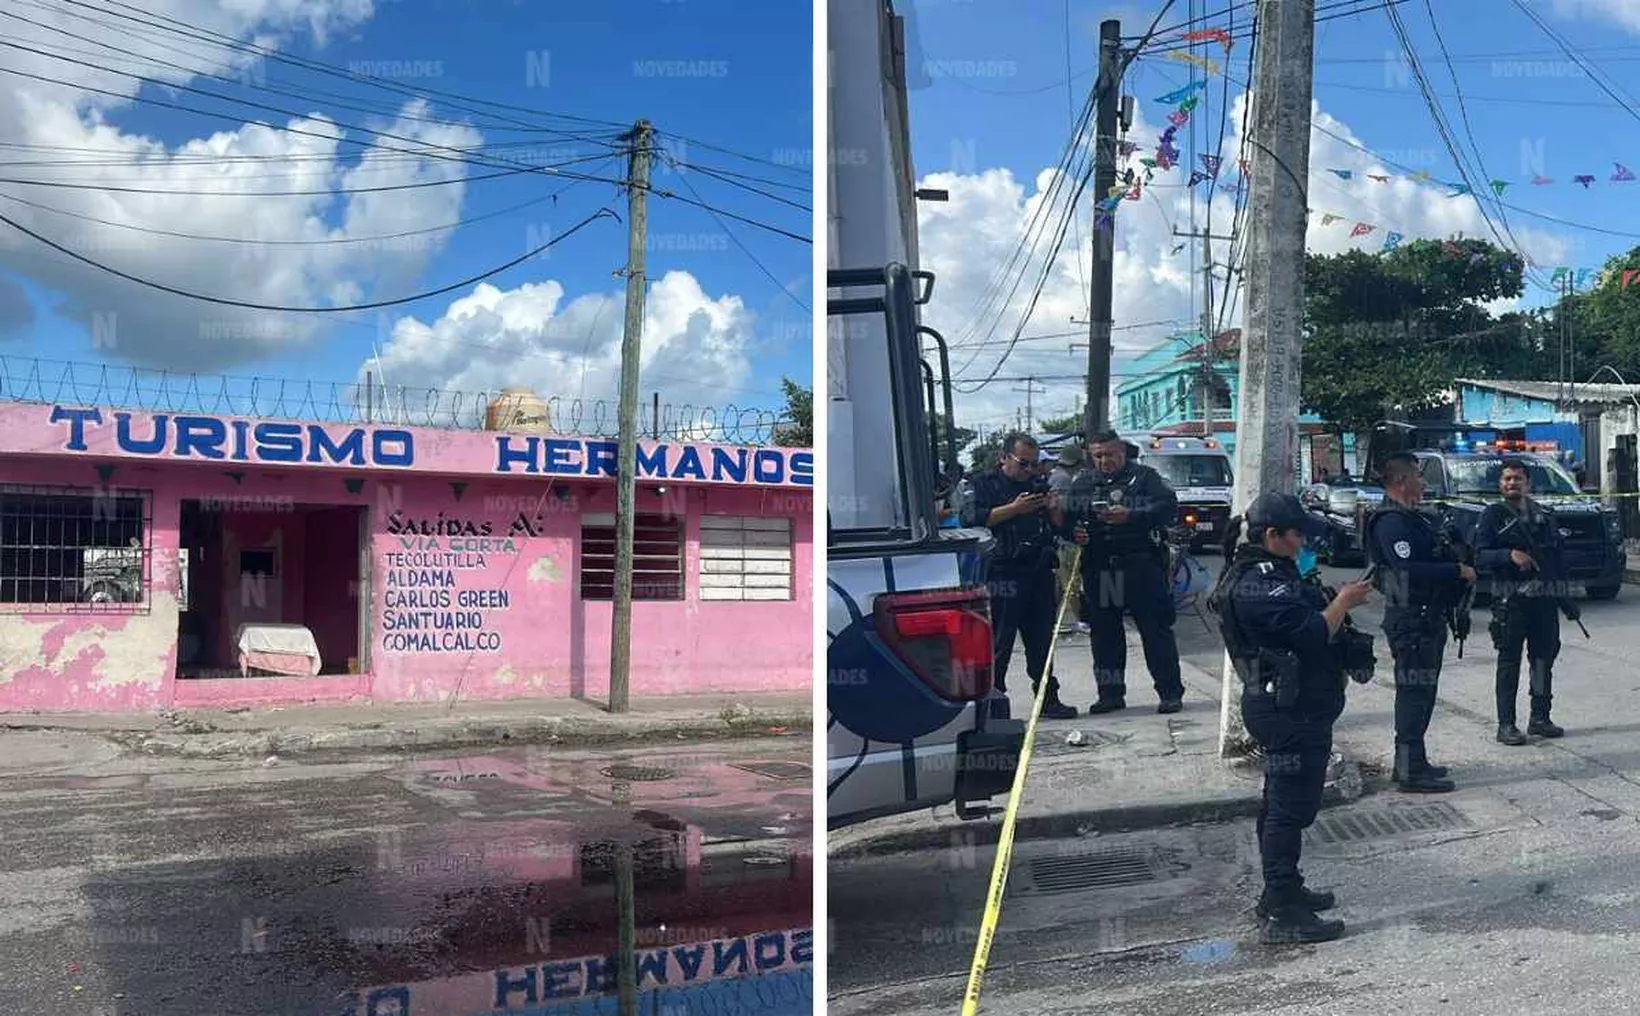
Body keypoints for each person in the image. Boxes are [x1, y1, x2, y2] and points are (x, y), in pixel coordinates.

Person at [1211, 493, 1373, 944]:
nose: (1302, 541)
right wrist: (1343, 602)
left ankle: (1283, 889)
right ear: (1272, 536)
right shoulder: (1259, 584)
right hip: (1286, 709)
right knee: (1287, 810)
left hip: (1294, 704)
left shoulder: (1271, 571)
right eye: (1296, 534)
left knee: (1283, 804)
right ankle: (1281, 909)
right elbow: (1311, 632)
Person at [1363, 452, 1476, 793]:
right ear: (1401, 481)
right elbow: (1406, 570)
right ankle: (1411, 771)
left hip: (1426, 619)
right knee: (1414, 693)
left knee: (1424, 693)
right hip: (1411, 620)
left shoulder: (1413, 519)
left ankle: (1414, 762)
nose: (1423, 482)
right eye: (1418, 475)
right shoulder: (1391, 522)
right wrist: (1456, 571)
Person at [1067, 429, 1185, 714]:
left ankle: (1169, 692)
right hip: (1102, 569)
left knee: (1155, 631)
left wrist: (1132, 515)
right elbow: (1066, 517)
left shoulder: (1144, 477)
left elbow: (1168, 506)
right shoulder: (1083, 483)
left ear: (1121, 452)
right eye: (1098, 456)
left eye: (1109, 454)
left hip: (1140, 565)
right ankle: (1110, 694)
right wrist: (1074, 532)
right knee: (1105, 634)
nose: (1104, 461)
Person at [962, 433, 1079, 719]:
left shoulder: (1038, 486)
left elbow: (1061, 531)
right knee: (999, 644)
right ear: (1004, 457)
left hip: (1037, 573)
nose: (1029, 470)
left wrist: (1054, 512)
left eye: (1033, 464)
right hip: (1002, 574)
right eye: (1023, 463)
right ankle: (994, 706)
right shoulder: (982, 484)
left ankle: (1048, 699)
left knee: (1041, 642)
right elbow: (971, 519)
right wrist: (1013, 509)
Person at [1473, 459, 1569, 744]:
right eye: (1507, 479)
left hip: (1543, 602)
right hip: (1510, 602)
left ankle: (1540, 717)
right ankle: (1506, 724)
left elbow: (1556, 560)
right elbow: (1479, 557)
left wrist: (1564, 595)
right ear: (1500, 484)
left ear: (1528, 483)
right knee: (1509, 663)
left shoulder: (1544, 515)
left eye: (1517, 479)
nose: (1512, 483)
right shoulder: (1493, 516)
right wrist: (1508, 555)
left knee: (1542, 662)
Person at [1048, 445, 1090, 636]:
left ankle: (1052, 619)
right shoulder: (1063, 479)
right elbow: (1059, 509)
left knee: (1061, 583)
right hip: (1067, 540)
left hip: (1063, 539)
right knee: (1071, 583)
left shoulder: (1058, 475)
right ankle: (1082, 619)